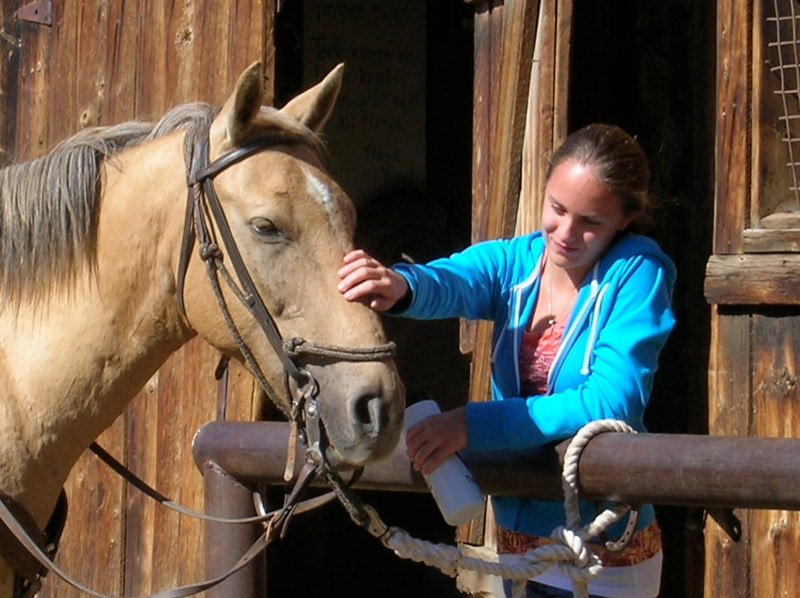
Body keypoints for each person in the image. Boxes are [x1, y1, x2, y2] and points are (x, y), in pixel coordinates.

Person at [337, 124, 676, 597]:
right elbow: (456, 279)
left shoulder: (638, 273)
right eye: (556, 209)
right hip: (521, 551)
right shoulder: (519, 262)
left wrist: (474, 425)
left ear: (624, 220)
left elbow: (610, 400)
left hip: (604, 559)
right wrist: (401, 286)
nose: (565, 233)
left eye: (590, 222)